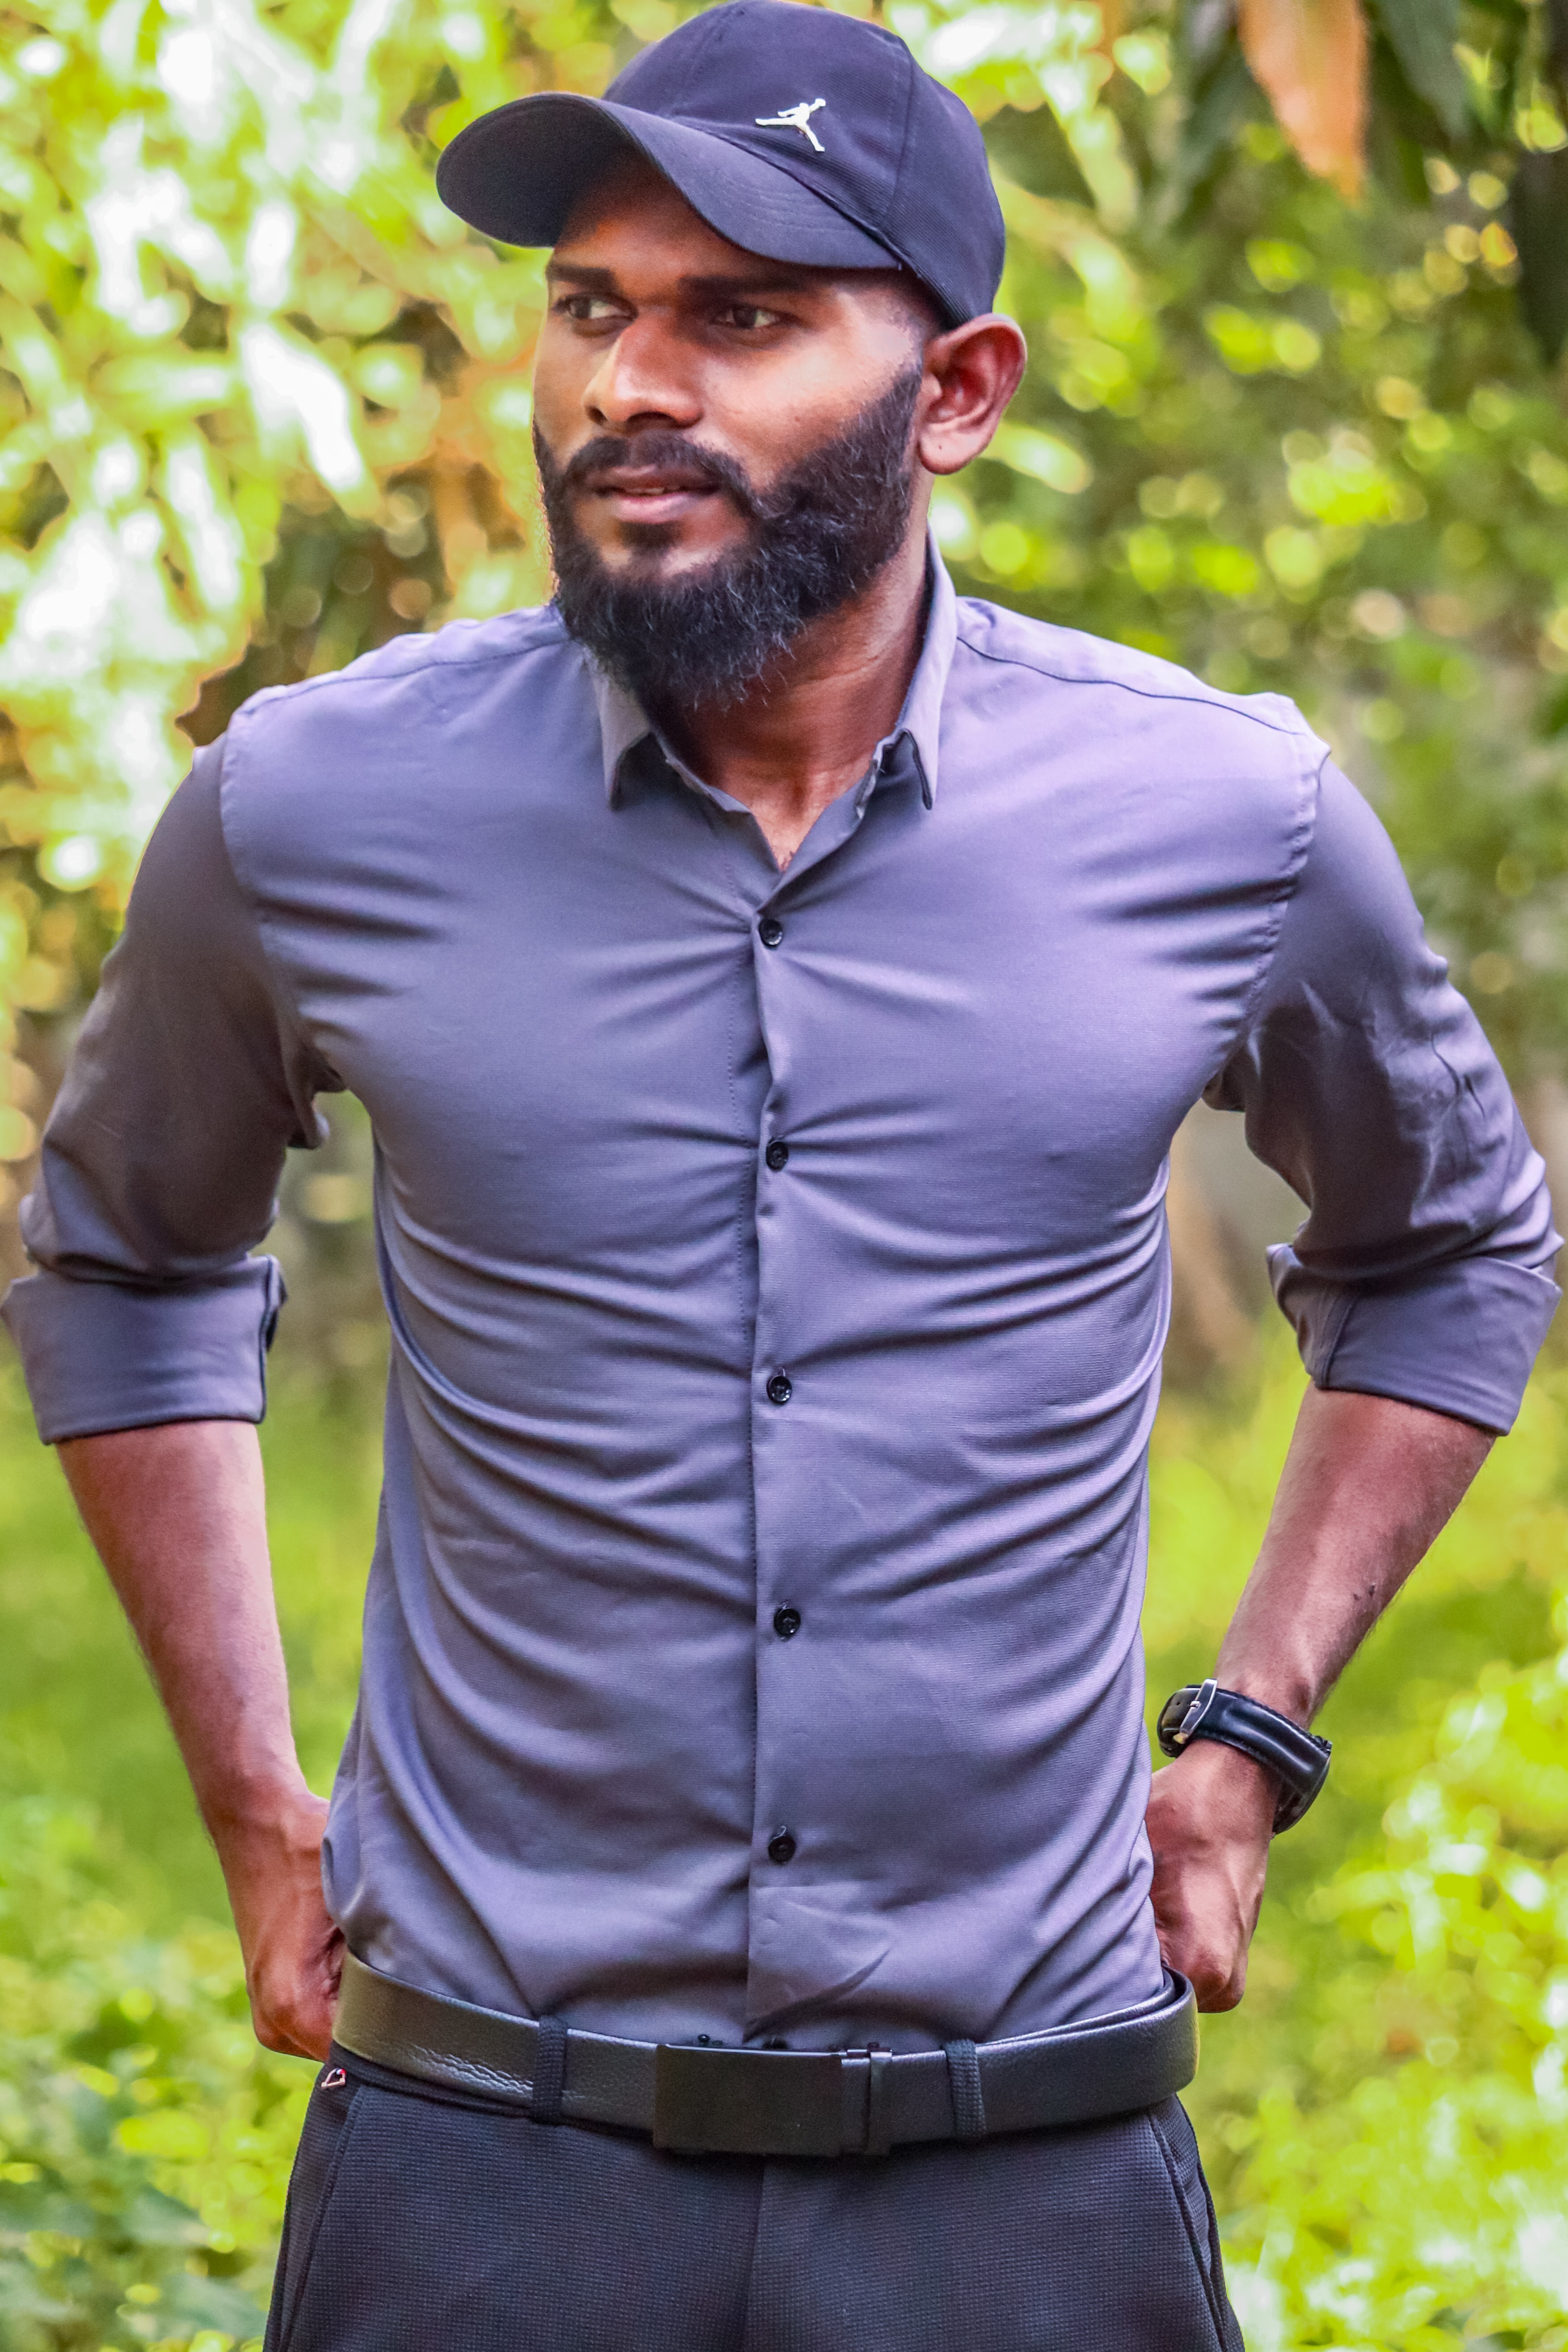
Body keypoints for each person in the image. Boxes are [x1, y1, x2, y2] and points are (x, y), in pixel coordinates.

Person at [3, 4, 1558, 2345]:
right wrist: (252, 1800)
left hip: (1027, 2164)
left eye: (742, 315)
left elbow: (1451, 1244)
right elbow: (124, 1253)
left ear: (958, 392)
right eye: (594, 311)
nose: (637, 383)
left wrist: (1245, 1749)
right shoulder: (312, 811)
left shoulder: (1219, 819)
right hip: (484, 2167)